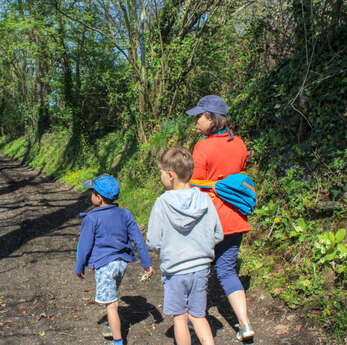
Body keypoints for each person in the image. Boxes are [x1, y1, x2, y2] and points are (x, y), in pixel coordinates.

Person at [186, 95, 255, 341]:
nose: (195, 121)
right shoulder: (240, 144)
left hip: (209, 218)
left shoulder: (202, 147)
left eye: (199, 116)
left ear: (211, 118)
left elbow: (195, 186)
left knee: (200, 269)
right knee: (226, 271)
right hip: (235, 216)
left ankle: (196, 320)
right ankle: (245, 324)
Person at [146, 147, 223, 345]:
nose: (161, 177)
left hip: (175, 270)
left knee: (180, 318)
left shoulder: (162, 203)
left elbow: (153, 241)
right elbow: (218, 234)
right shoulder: (205, 199)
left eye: (161, 173)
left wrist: (166, 250)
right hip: (200, 269)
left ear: (170, 175)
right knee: (198, 316)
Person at [74, 174, 154, 345]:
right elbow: (138, 240)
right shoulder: (125, 214)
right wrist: (146, 264)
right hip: (121, 264)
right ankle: (114, 325)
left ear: (99, 197)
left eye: (92, 192)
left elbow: (84, 245)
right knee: (112, 295)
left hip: (104, 265)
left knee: (111, 305)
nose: (91, 195)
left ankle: (117, 340)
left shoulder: (92, 218)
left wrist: (79, 267)